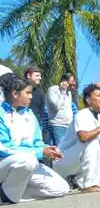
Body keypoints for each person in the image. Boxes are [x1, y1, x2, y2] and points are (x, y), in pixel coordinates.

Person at [0, 73, 69, 204]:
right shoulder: (1, 113)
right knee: (27, 160)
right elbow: (3, 148)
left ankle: (7, 195)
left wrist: (45, 148)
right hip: (6, 164)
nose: (31, 96)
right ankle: (9, 194)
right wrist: (39, 152)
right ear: (15, 94)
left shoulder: (29, 114)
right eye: (28, 93)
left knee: (61, 189)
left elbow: (37, 142)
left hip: (27, 164)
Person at [53, 84, 100, 192]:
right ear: (88, 100)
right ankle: (89, 184)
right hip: (64, 160)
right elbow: (83, 138)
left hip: (80, 159)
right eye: (98, 95)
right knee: (91, 141)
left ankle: (81, 180)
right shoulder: (82, 114)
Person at [47, 73, 75, 146]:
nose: (73, 83)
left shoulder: (69, 93)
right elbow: (56, 107)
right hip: (58, 125)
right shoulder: (53, 89)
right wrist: (62, 91)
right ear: (64, 81)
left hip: (68, 126)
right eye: (71, 81)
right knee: (60, 151)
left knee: (67, 152)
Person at [25, 67, 49, 143]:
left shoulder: (41, 94)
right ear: (29, 75)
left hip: (35, 129)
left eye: (40, 76)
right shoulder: (17, 89)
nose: (40, 78)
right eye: (37, 75)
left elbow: (42, 116)